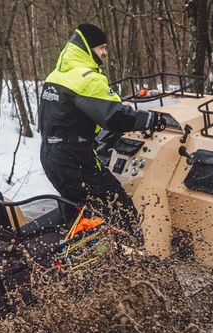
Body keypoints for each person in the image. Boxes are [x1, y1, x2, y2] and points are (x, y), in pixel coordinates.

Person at [39, 23, 165, 235]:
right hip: (75, 160)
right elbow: (115, 118)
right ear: (86, 48)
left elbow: (67, 117)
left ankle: (73, 259)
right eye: (101, 48)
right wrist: (150, 119)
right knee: (121, 211)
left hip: (51, 156)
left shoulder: (56, 76)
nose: (105, 53)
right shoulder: (87, 79)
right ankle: (130, 261)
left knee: (81, 211)